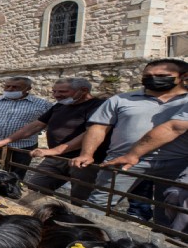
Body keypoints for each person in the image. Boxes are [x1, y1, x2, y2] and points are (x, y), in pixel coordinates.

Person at [70, 59, 188, 226]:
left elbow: (174, 128)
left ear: (183, 76)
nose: (153, 79)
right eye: (148, 75)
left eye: (162, 76)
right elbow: (98, 128)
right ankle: (84, 237)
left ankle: (163, 243)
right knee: (100, 202)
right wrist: (87, 154)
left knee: (169, 208)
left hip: (176, 162)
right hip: (124, 160)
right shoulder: (121, 99)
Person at [0, 78, 107, 201]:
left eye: (62, 92)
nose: (56, 95)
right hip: (56, 158)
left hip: (82, 160)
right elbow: (37, 125)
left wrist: (56, 150)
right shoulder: (60, 106)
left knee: (81, 197)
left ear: (84, 90)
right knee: (34, 188)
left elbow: (92, 132)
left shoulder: (99, 106)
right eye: (54, 91)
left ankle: (77, 219)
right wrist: (5, 141)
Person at [0, 77, 52, 179]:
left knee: (14, 177)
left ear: (28, 88)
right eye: (7, 86)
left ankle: (8, 194)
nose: (10, 89)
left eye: (15, 87)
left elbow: (47, 123)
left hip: (22, 146)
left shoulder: (42, 105)